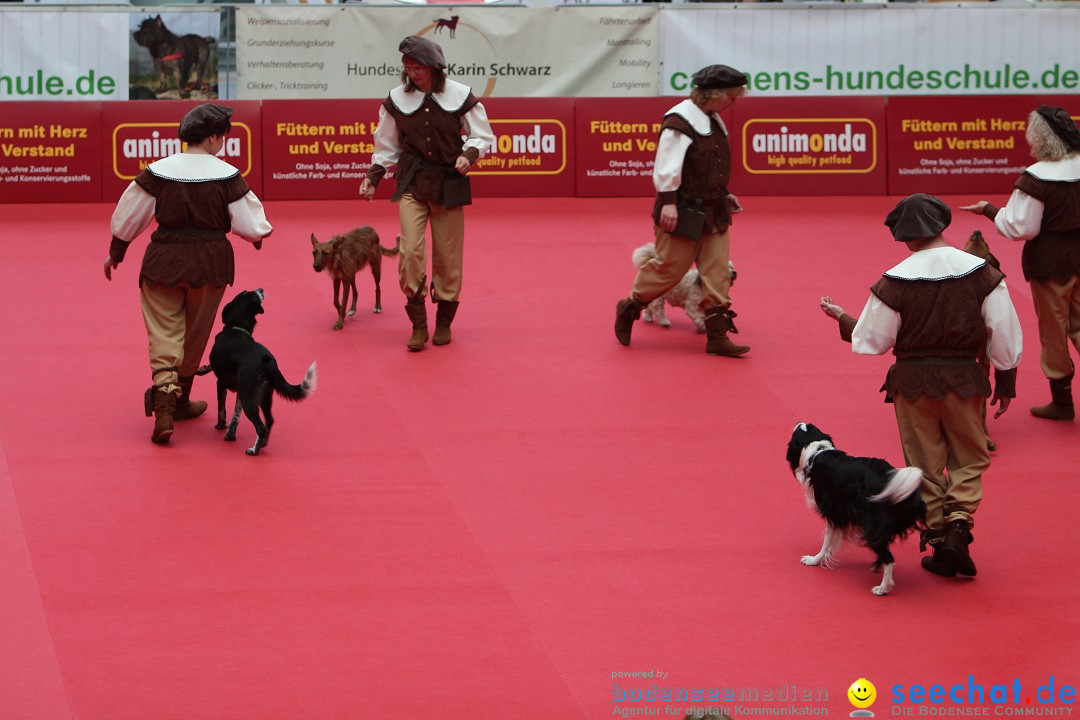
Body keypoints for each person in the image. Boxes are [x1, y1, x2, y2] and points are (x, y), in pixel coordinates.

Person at [820, 194, 1023, 579]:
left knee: (924, 463)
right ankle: (959, 527)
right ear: (942, 226)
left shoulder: (893, 280)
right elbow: (1004, 331)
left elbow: (871, 342)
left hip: (912, 384)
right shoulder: (982, 273)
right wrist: (1007, 375)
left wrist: (845, 319)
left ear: (904, 236)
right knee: (969, 457)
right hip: (965, 379)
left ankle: (938, 535)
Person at [104, 103, 272, 444]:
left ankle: (166, 405)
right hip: (210, 263)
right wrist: (254, 239)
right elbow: (253, 224)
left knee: (164, 332)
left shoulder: (158, 171)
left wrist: (116, 251)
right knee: (195, 334)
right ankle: (179, 400)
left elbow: (129, 213)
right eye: (223, 136)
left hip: (163, 260)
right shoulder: (227, 175)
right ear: (212, 138)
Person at [359, 35, 495, 352]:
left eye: (418, 66)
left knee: (448, 257)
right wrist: (373, 177)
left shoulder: (460, 96)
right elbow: (386, 145)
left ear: (434, 67)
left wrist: (468, 155)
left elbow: (482, 135)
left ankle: (444, 322)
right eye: (408, 66)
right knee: (409, 252)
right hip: (412, 183)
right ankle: (418, 324)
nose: (412, 71)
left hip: (450, 182)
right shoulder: (396, 99)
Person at [614, 64, 750, 357]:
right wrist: (669, 202)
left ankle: (717, 336)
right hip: (681, 208)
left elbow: (708, 168)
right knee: (670, 269)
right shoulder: (680, 122)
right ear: (715, 94)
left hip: (714, 210)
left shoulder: (712, 120)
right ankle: (630, 306)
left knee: (717, 272)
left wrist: (724, 194)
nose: (734, 103)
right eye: (732, 96)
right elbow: (667, 166)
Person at [961, 105, 1080, 422]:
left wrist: (989, 210)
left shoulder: (1037, 177)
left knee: (1054, 330)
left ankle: (1062, 401)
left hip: (1050, 264)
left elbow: (1019, 227)